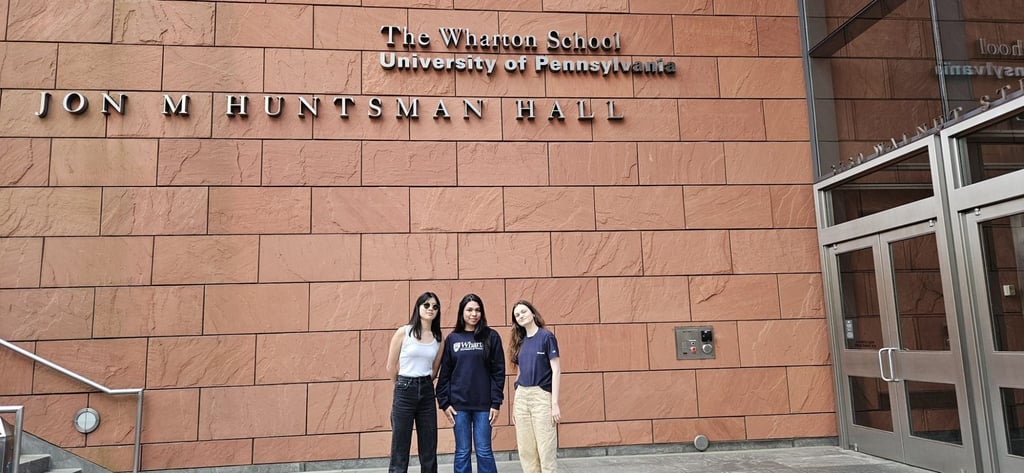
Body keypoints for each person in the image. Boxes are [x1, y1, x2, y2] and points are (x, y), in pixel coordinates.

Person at [436, 294, 506, 473]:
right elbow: (445, 374)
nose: (474, 314)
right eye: (469, 310)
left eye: (477, 310)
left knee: (484, 451)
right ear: (462, 312)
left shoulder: (491, 336)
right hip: (458, 406)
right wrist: (444, 402)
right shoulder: (453, 339)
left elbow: (498, 372)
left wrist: (496, 402)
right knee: (462, 452)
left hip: (484, 406)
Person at [386, 292, 444, 473]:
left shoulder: (438, 337)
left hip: (426, 390)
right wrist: (401, 385)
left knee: (429, 444)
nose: (430, 309)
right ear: (418, 307)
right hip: (404, 389)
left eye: (435, 306)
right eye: (426, 305)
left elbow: (435, 369)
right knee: (400, 444)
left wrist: (423, 384)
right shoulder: (404, 332)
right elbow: (390, 366)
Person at [509, 300, 561, 473]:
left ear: (532, 312)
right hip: (522, 397)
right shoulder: (520, 342)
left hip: (541, 396)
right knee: (526, 451)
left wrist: (554, 403)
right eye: (517, 315)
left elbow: (556, 370)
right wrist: (515, 405)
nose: (521, 316)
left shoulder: (546, 337)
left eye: (523, 311)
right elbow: (519, 373)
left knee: (546, 449)